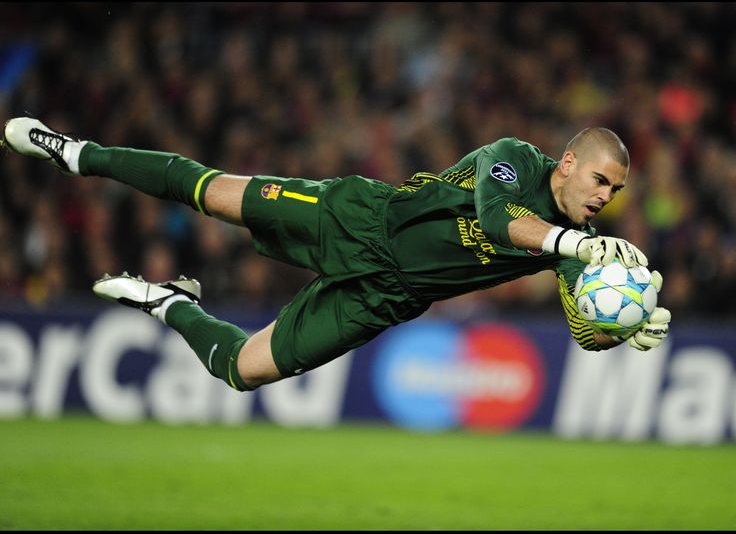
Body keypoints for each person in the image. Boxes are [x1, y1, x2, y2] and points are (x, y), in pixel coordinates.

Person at [2, 117, 671, 392]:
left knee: (242, 370)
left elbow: (583, 329)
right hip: (357, 219)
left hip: (386, 296)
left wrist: (623, 323)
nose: (606, 197)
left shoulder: (575, 251)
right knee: (209, 191)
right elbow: (499, 222)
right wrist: (575, 244)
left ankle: (172, 302)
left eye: (616, 191)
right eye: (601, 181)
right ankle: (79, 154)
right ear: (571, 161)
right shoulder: (514, 160)